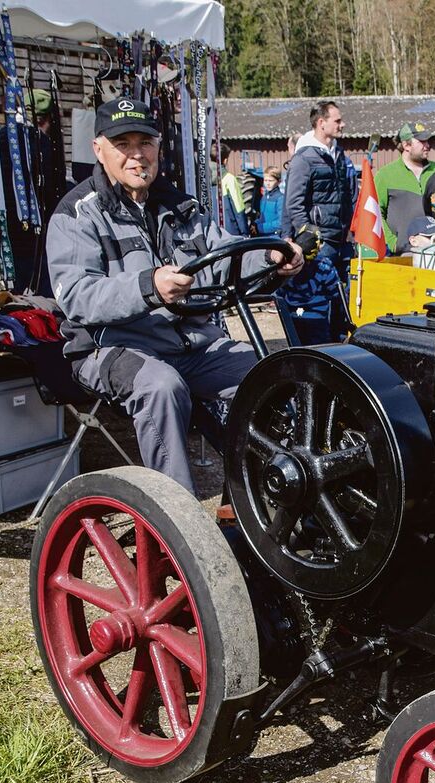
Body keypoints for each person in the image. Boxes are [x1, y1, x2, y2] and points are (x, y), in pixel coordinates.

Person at [45, 97, 303, 494]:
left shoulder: (180, 206)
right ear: (98, 149)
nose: (136, 155)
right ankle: (175, 514)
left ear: (158, 147)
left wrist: (270, 258)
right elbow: (78, 296)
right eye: (123, 144)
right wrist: (148, 286)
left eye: (145, 143)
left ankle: (270, 491)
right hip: (110, 347)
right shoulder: (77, 214)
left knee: (270, 372)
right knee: (162, 387)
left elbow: (226, 255)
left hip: (191, 345)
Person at [279, 100, 356, 344]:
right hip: (320, 242)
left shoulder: (338, 155)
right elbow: (294, 203)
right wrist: (309, 236)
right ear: (321, 123)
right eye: (337, 120)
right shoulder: (305, 158)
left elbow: (346, 195)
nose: (342, 124)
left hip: (340, 239)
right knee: (316, 306)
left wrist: (349, 229)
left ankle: (338, 347)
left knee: (340, 299)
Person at [0, 90, 67, 296]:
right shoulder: (41, 142)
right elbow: (50, 187)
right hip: (37, 222)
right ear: (46, 120)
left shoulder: (0, 137)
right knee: (42, 279)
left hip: (7, 222)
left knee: (18, 281)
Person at [374, 121, 435, 254]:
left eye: (427, 141)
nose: (427, 145)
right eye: (422, 141)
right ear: (406, 145)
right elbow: (376, 212)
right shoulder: (385, 175)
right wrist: (393, 242)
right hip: (401, 252)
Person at [219, 145, 250, 236]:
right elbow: (238, 208)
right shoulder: (229, 179)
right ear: (225, 160)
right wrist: (245, 232)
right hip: (231, 232)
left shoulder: (203, 180)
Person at [256, 168, 284, 235]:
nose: (267, 183)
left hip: (275, 237)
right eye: (265, 180)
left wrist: (259, 228)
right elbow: (261, 217)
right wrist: (255, 224)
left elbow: (281, 223)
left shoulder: (281, 199)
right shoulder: (264, 197)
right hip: (262, 235)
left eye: (271, 181)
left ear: (279, 181)